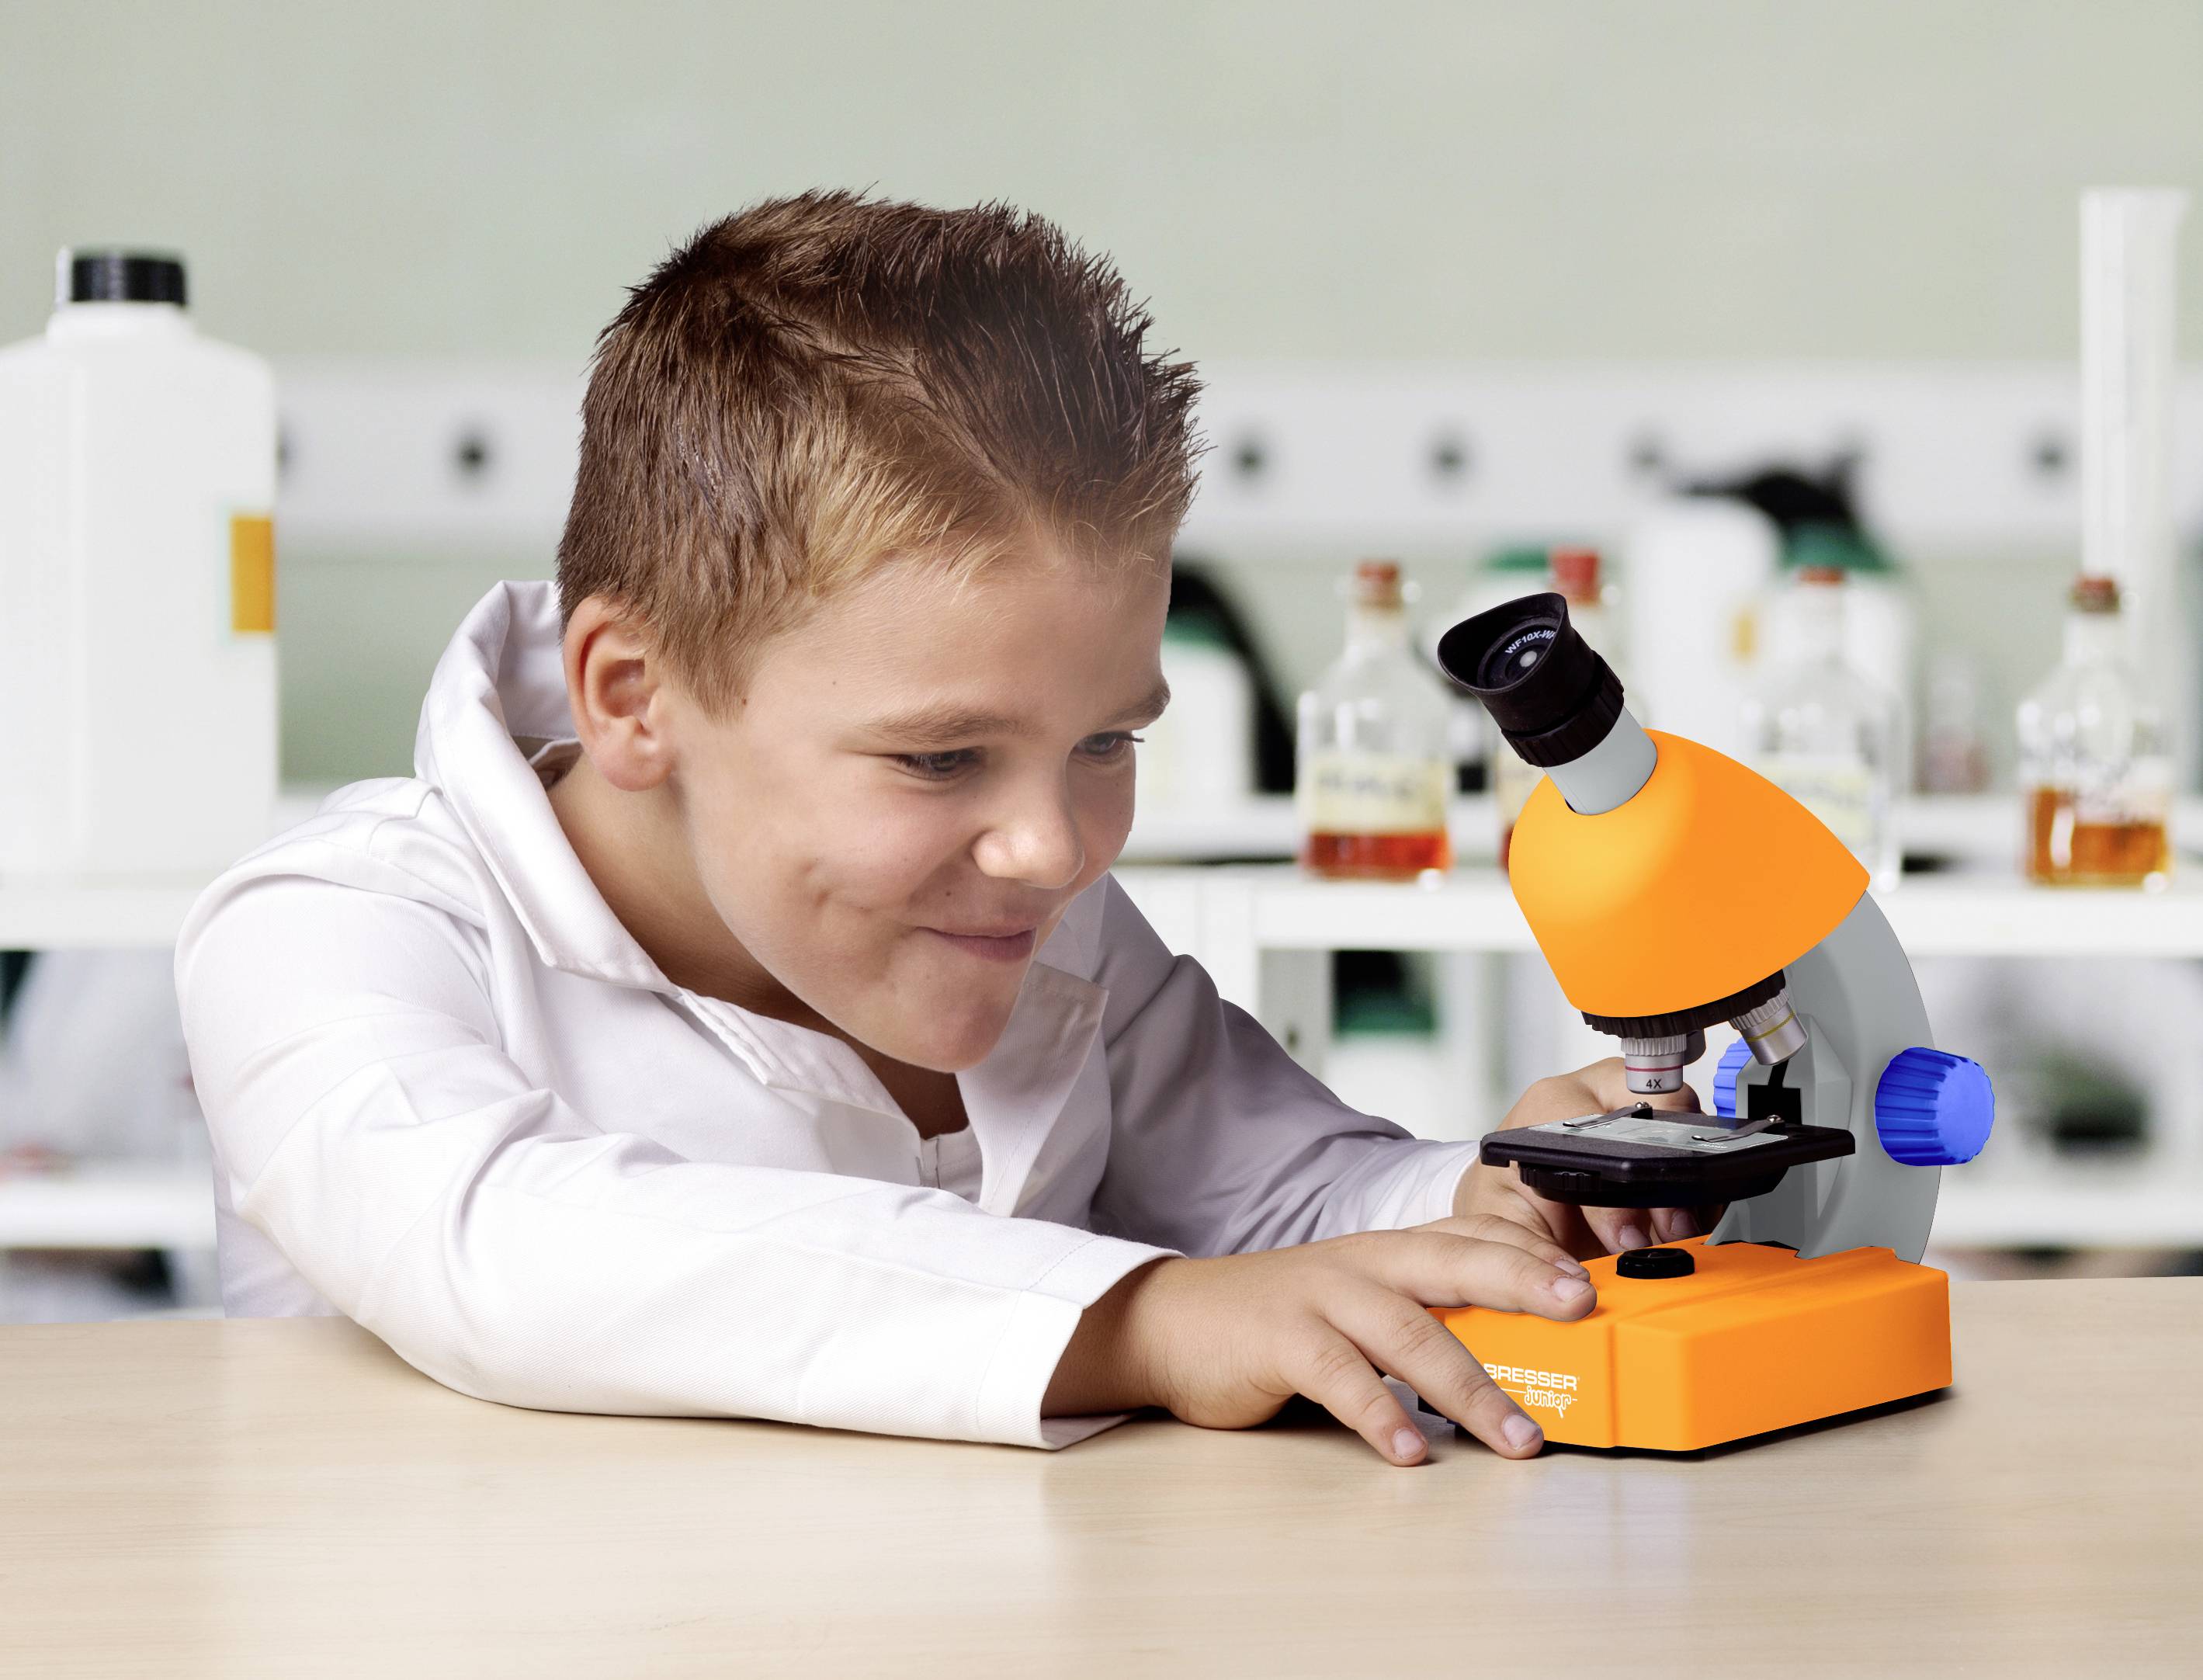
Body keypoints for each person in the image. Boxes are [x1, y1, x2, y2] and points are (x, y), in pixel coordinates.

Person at [176, 193, 1699, 1467]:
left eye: (1108, 738)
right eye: (943, 754)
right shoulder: (332, 930)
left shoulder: (1019, 912)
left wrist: (1500, 1197)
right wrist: (1144, 1318)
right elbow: (507, 1255)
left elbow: (1287, 1193)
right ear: (636, 696)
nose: (1056, 848)